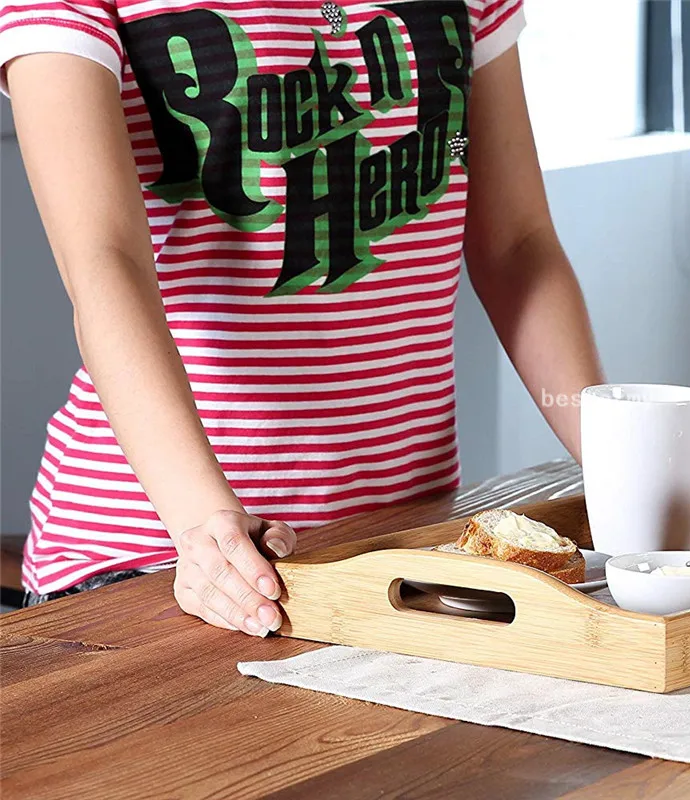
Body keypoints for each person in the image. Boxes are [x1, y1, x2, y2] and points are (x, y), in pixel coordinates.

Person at [0, 0, 604, 634]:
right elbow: (105, 263)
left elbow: (517, 248)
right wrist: (205, 526)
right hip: (160, 551)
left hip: (404, 546)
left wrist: (614, 454)